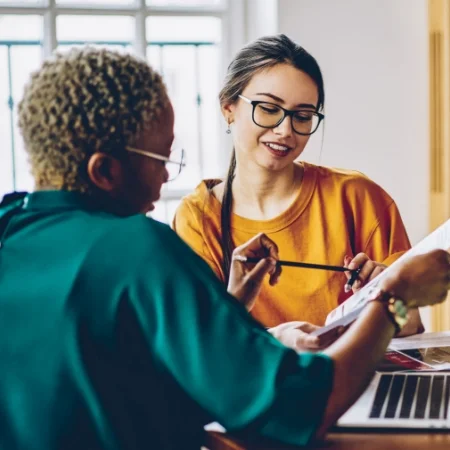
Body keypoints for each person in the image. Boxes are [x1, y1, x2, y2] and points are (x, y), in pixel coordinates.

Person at [1, 47, 448, 450]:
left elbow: (144, 375)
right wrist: (394, 298)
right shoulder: (139, 248)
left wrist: (229, 304)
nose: (165, 179)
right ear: (105, 172)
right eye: (161, 161)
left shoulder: (11, 233)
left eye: (302, 115)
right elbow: (299, 408)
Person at [172, 34, 423, 342]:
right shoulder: (198, 218)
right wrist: (280, 343)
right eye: (267, 108)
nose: (285, 130)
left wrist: (388, 301)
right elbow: (199, 345)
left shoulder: (359, 198)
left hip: (354, 385)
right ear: (228, 108)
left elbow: (410, 321)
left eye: (303, 116)